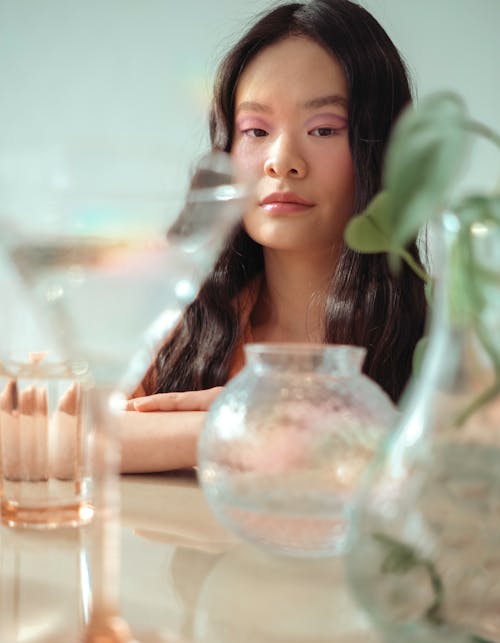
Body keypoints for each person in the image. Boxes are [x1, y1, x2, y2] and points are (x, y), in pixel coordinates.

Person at [119, 0, 427, 472]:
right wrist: (236, 426)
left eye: (323, 129)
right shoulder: (188, 326)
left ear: (383, 150)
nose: (281, 161)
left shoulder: (452, 334)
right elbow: (39, 436)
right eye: (256, 130)